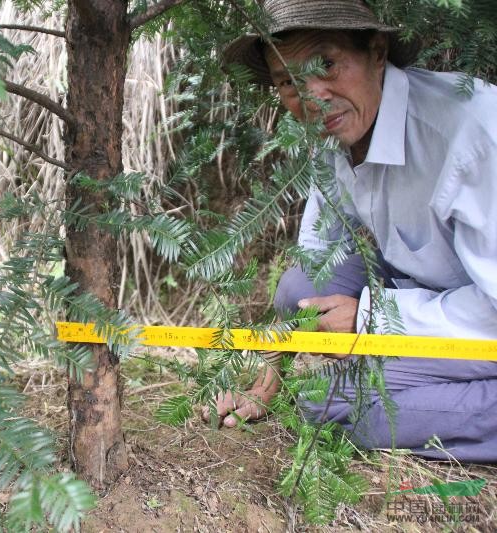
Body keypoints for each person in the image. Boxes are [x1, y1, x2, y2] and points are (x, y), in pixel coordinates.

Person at [206, 0, 497, 462]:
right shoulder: (337, 129)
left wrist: (369, 319)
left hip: (486, 314)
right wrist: (270, 381)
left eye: (327, 63)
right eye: (288, 81)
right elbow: (318, 251)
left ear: (377, 52)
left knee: (335, 404)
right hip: (431, 294)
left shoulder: (470, 134)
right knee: (300, 287)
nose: (313, 94)